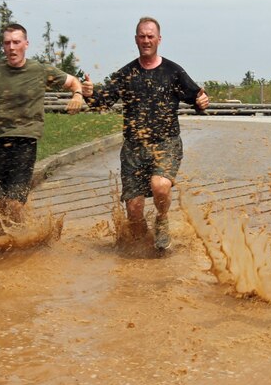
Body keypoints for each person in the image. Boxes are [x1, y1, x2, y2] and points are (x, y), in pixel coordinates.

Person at [83, 17, 209, 250]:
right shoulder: (126, 74)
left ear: (159, 39)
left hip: (166, 142)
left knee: (160, 186)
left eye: (150, 36)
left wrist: (202, 101)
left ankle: (162, 219)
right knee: (134, 211)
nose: (146, 40)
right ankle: (142, 251)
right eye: (142, 36)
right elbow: (101, 103)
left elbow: (197, 98)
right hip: (133, 148)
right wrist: (88, 94)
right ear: (136, 40)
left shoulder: (173, 71)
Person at [0, 22, 87, 226]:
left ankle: (20, 241)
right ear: (3, 46)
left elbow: (73, 82)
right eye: (7, 43)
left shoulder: (40, 70)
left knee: (14, 202)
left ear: (26, 44)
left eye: (16, 42)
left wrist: (78, 95)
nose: (11, 47)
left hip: (25, 141)